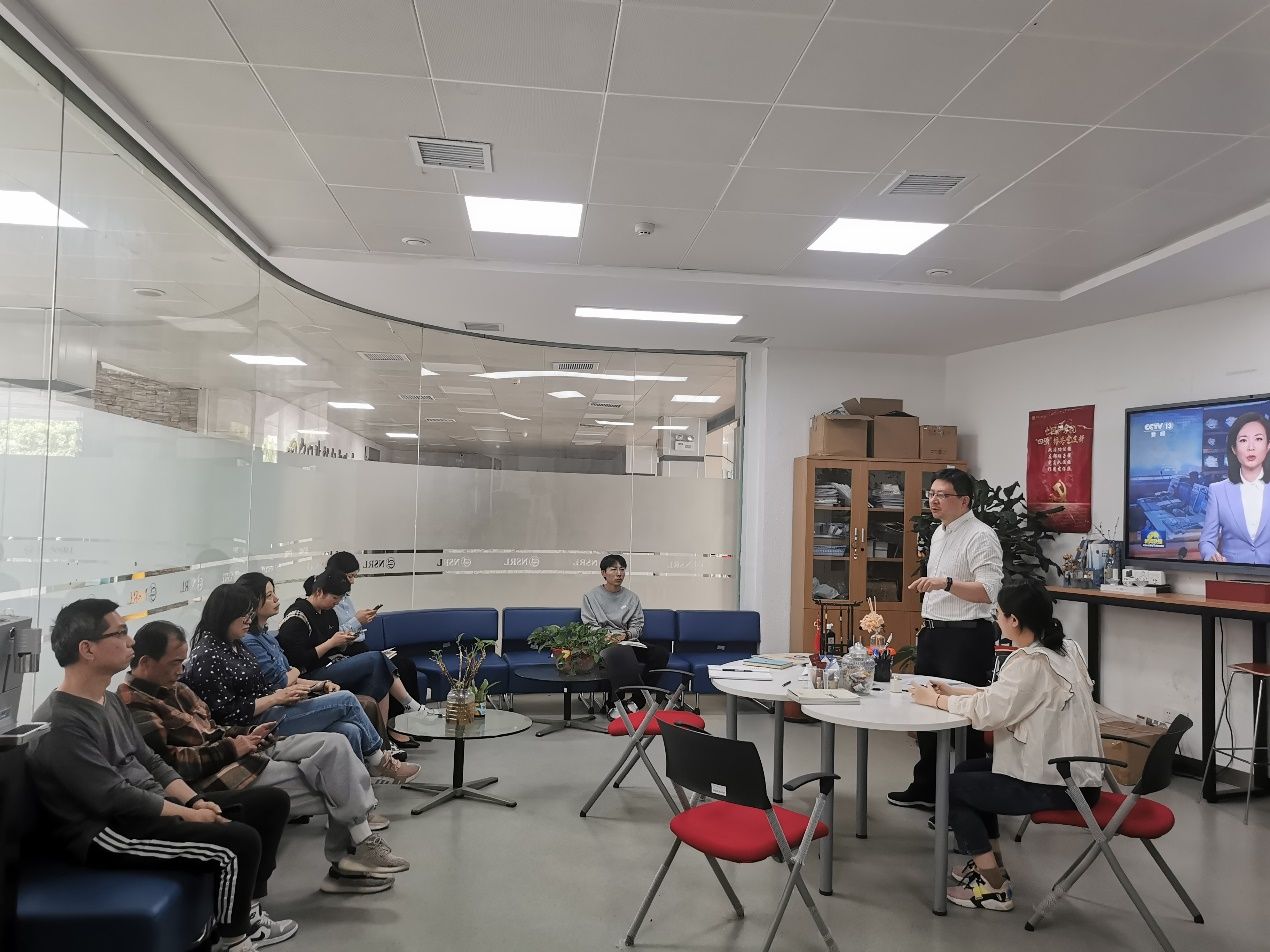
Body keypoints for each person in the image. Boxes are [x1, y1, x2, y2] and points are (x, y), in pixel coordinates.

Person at [27, 599, 294, 952]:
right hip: (106, 831)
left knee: (270, 803)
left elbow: (150, 761)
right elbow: (114, 796)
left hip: (144, 807)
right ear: (87, 649)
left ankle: (249, 912)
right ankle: (234, 940)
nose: (131, 642)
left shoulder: (108, 701)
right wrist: (190, 815)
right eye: (120, 633)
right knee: (239, 842)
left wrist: (194, 801)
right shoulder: (61, 722)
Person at [122, 619, 411, 895]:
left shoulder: (178, 685)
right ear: (146, 663)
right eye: (174, 663)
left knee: (337, 744)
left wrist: (248, 734)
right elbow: (171, 765)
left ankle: (356, 851)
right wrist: (233, 747)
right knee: (337, 782)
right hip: (221, 772)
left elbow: (214, 727)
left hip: (242, 747)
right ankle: (350, 856)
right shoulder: (138, 707)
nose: (180, 669)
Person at [910, 578, 1103, 912]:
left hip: (1057, 784)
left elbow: (989, 715)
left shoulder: (1031, 663)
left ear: (1014, 620)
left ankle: (993, 887)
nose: (995, 618)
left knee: (950, 787)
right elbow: (1009, 698)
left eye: (997, 613)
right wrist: (957, 692)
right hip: (1074, 773)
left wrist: (935, 701)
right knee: (968, 770)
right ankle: (992, 863)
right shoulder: (1065, 649)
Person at [181, 583, 418, 784]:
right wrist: (277, 696)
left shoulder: (236, 643)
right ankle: (381, 761)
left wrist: (304, 688)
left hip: (273, 706)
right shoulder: (209, 655)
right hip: (254, 725)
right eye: (243, 615)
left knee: (350, 730)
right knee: (347, 699)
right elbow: (225, 713)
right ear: (225, 615)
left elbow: (267, 684)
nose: (248, 620)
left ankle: (359, 804)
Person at [890, 467, 1004, 810]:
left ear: (964, 501)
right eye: (932, 494)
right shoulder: (939, 533)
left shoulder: (980, 536)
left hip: (966, 637)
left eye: (943, 495)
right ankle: (926, 788)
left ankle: (969, 803)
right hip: (935, 634)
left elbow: (989, 591)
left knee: (965, 720)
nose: (934, 500)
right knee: (926, 710)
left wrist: (947, 583)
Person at [278, 568, 424, 744]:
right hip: (310, 674)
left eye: (340, 598)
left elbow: (332, 647)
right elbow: (297, 660)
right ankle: (409, 705)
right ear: (319, 592)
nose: (337, 603)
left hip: (333, 663)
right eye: (334, 598)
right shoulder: (297, 617)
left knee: (381, 675)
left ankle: (383, 741)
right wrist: (331, 643)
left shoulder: (328, 613)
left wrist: (342, 642)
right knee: (376, 658)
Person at [322, 551, 425, 715]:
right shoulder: (327, 601)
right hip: (343, 653)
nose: (352, 581)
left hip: (359, 647)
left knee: (406, 664)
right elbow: (332, 636)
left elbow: (354, 631)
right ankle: (401, 718)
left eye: (354, 576)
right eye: (350, 576)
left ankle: (409, 718)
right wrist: (357, 621)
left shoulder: (347, 598)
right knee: (395, 667)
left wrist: (360, 621)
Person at [582, 554, 670, 716]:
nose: (619, 573)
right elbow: (589, 626)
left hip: (628, 641)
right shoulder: (591, 597)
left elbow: (638, 626)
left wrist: (626, 635)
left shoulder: (632, 598)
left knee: (661, 653)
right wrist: (609, 637)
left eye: (622, 569)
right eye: (613, 569)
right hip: (604, 643)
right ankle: (615, 702)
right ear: (603, 573)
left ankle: (636, 701)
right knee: (620, 654)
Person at [1200, 411, 1270, 564]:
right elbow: (1206, 541)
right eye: (1243, 440)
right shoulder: (1218, 491)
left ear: (1268, 445)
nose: (1251, 447)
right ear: (1234, 449)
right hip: (1232, 574)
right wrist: (1211, 554)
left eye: (1258, 439)